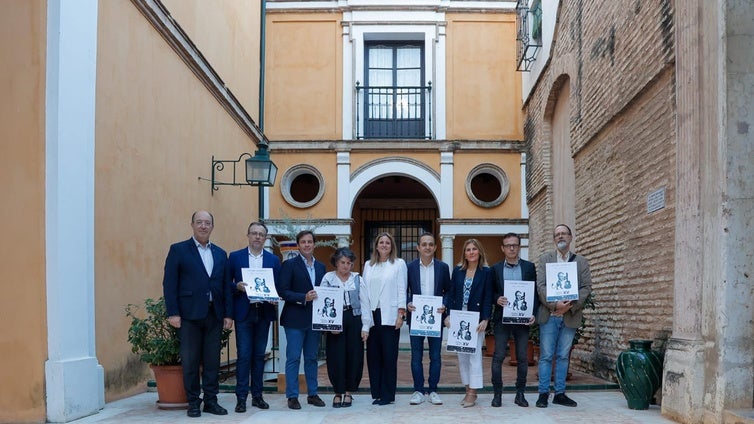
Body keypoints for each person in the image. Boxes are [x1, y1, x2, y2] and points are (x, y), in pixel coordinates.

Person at [162, 210, 233, 418]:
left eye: (207, 223)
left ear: (212, 226)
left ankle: (211, 401)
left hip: (214, 315)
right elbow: (169, 283)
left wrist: (228, 314)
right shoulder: (178, 250)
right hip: (188, 316)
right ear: (192, 225)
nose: (203, 226)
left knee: (212, 361)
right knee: (191, 361)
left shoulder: (220, 253)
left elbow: (225, 287)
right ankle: (193, 402)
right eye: (199, 222)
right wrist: (173, 312)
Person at [535, 224, 593, 408]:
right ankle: (543, 393)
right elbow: (541, 286)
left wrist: (569, 307)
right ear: (554, 239)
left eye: (564, 234)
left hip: (569, 316)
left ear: (570, 237)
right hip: (549, 315)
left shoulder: (581, 262)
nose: (560, 237)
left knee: (562, 356)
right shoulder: (546, 259)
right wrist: (555, 305)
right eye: (557, 234)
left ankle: (560, 393)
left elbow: (586, 288)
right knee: (546, 356)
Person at [228, 222, 281, 413]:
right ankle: (241, 398)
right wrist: (237, 287)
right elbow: (226, 283)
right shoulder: (235, 257)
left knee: (259, 356)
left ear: (265, 238)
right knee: (244, 356)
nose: (258, 237)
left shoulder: (273, 260)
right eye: (254, 233)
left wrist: (275, 297)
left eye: (261, 234)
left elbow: (278, 286)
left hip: (264, 312)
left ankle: (257, 396)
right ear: (248, 235)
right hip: (244, 312)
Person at [277, 230, 327, 410]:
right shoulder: (290, 265)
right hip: (294, 319)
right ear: (298, 245)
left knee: (312, 358)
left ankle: (313, 394)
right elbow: (283, 291)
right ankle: (292, 396)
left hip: (315, 320)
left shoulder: (321, 267)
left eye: (310, 242)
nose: (307, 245)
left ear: (314, 244)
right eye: (303, 242)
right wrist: (303, 297)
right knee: (293, 358)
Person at [490, 232, 538, 408]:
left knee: (523, 357)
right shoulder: (495, 269)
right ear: (502, 248)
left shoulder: (529, 267)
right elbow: (491, 292)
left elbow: (534, 293)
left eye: (515, 245)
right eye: (508, 245)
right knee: (498, 356)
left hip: (522, 319)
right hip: (502, 318)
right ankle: (497, 395)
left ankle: (520, 393)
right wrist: (497, 299)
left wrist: (533, 312)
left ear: (519, 247)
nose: (512, 248)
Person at [360, 232, 407, 406]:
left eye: (388, 243)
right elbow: (364, 292)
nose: (384, 245)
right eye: (381, 242)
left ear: (392, 246)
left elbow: (402, 289)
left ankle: (388, 395)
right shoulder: (368, 265)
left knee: (388, 356)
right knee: (373, 356)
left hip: (390, 316)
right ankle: (377, 393)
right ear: (376, 245)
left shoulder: (398, 264)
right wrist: (365, 320)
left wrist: (401, 314)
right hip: (372, 316)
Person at [445, 239, 493, 408]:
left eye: (474, 249)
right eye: (468, 250)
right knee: (462, 357)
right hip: (458, 318)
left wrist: (485, 319)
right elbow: (451, 294)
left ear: (479, 252)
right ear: (464, 253)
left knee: (474, 356)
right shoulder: (457, 271)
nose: (471, 252)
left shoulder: (486, 272)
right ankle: (467, 389)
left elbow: (488, 297)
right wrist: (448, 315)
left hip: (476, 320)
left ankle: (473, 392)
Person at [406, 232, 451, 406]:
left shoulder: (443, 267)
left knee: (435, 356)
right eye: (424, 244)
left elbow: (448, 291)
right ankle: (418, 390)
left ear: (435, 247)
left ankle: (433, 390)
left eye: (430, 244)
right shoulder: (409, 267)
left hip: (436, 318)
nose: (427, 247)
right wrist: (407, 303)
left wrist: (445, 306)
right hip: (416, 318)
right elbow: (404, 290)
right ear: (418, 247)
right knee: (416, 356)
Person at [320, 247, 364, 408]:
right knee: (335, 357)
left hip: (354, 318)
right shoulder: (328, 278)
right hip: (334, 319)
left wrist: (366, 326)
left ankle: (349, 392)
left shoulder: (357, 278)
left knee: (354, 356)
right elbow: (322, 302)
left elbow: (365, 302)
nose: (346, 266)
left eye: (349, 263)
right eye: (342, 262)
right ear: (336, 263)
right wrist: (329, 325)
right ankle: (338, 392)